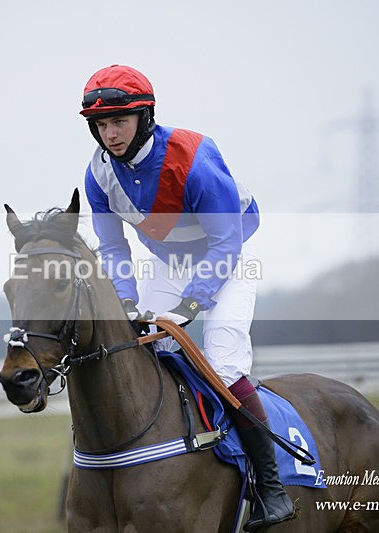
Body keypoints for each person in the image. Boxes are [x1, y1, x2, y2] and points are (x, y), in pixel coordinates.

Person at [80, 64, 295, 529]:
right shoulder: (97, 174)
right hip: (169, 260)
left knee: (222, 361)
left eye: (119, 121)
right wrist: (128, 302)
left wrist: (192, 303)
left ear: (145, 117)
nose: (110, 134)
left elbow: (225, 242)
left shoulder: (193, 156)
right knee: (144, 347)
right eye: (101, 125)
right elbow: (114, 247)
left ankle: (270, 486)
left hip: (230, 250)